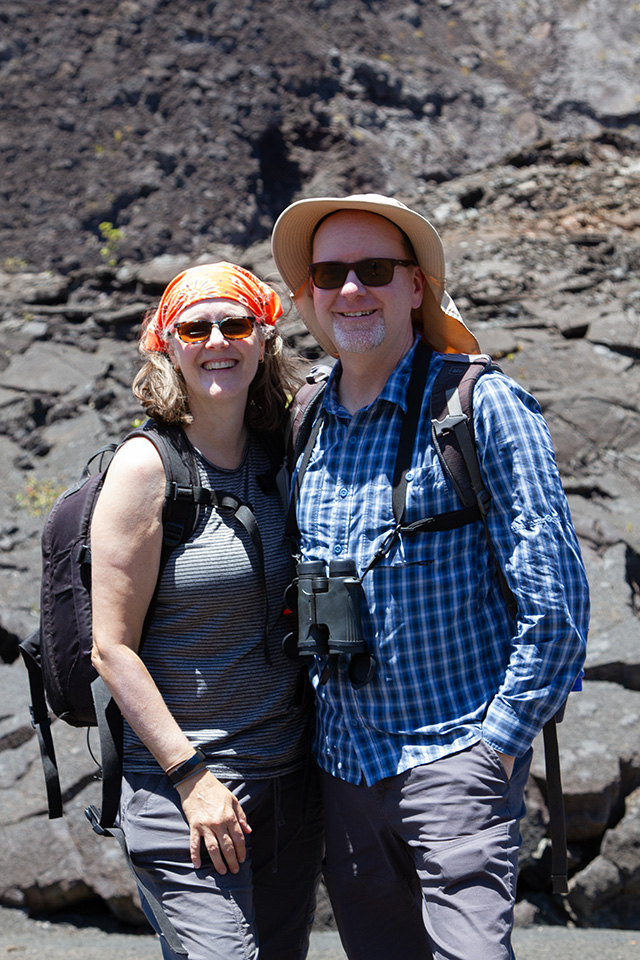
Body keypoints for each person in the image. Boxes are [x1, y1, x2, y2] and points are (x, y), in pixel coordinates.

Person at [271, 195, 589, 960]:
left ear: (417, 285)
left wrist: (497, 750)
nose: (351, 290)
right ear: (310, 294)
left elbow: (558, 603)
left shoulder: (480, 405)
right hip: (344, 770)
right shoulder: (304, 415)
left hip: (456, 757)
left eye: (374, 269)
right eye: (329, 273)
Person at [90, 262, 323, 960]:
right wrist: (192, 779)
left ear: (264, 340)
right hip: (183, 789)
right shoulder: (146, 467)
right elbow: (111, 648)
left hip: (288, 782)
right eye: (195, 326)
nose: (217, 339)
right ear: (168, 344)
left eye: (236, 324)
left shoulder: (282, 454)